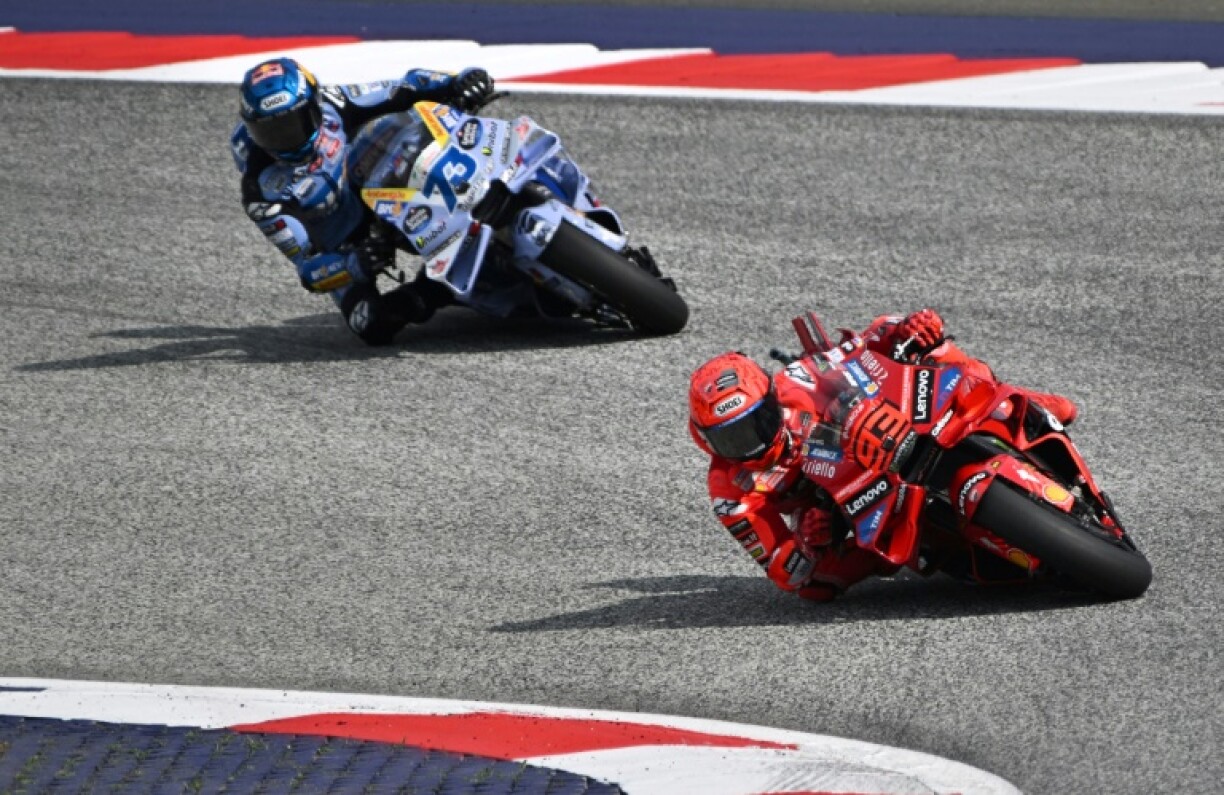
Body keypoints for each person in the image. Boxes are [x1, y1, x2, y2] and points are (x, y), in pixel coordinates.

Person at [687, 308, 1078, 601]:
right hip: (843, 508)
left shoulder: (798, 380)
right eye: (732, 439)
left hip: (876, 432)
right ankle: (937, 541)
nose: (750, 444)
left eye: (756, 423)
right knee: (817, 588)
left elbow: (864, 345)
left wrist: (907, 330)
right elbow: (786, 570)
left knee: (934, 352)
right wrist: (810, 540)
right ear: (706, 441)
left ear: (770, 399)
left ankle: (1017, 405)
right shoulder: (730, 492)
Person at [231, 57, 496, 345]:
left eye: (291, 125)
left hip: (379, 184)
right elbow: (309, 270)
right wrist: (355, 263)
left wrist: (459, 80)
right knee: (371, 325)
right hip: (345, 244)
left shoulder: (333, 102)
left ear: (313, 106)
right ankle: (433, 290)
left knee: (428, 130)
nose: (284, 140)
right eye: (270, 132)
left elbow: (405, 87)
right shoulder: (261, 194)